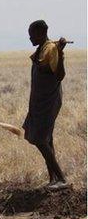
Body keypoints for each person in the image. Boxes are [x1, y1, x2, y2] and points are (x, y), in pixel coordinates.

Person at [23, 20, 68, 190]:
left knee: (40, 139)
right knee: (47, 139)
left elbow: (60, 75)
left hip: (48, 100)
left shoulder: (51, 49)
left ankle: (62, 179)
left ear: (41, 33)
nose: (29, 38)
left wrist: (61, 54)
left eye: (32, 34)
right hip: (39, 101)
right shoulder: (43, 49)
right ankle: (53, 179)